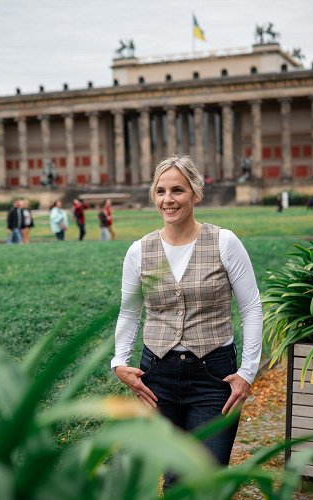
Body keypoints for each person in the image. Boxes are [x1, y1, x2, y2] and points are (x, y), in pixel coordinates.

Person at [111, 155, 263, 485]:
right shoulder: (139, 250)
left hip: (213, 376)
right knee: (175, 480)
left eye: (178, 190)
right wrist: (119, 362)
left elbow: (251, 308)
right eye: (161, 191)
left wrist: (247, 372)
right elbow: (129, 311)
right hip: (158, 375)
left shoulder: (225, 242)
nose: (169, 199)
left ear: (195, 192)